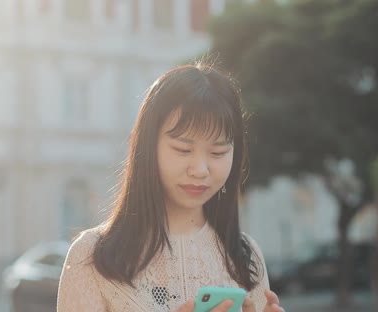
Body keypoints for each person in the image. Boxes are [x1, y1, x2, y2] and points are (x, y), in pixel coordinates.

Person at [57, 62, 283, 312]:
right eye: (183, 150)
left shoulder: (246, 256)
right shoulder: (91, 258)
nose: (200, 169)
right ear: (148, 148)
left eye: (218, 152)